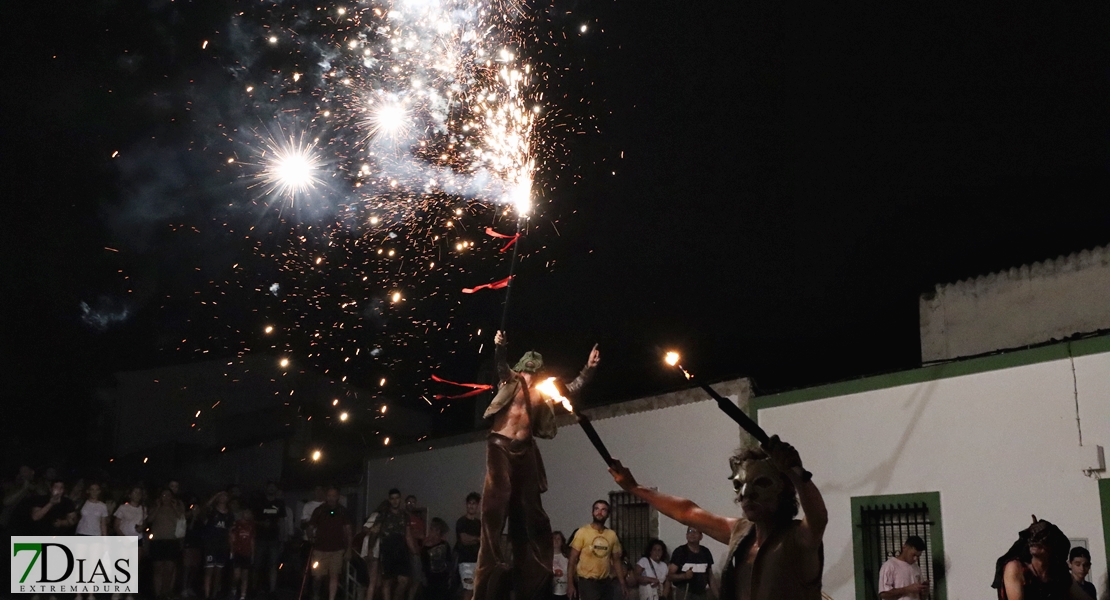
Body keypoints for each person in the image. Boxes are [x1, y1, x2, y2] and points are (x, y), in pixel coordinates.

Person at [608, 436, 828, 600]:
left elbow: (818, 518)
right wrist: (635, 488)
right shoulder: (740, 532)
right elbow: (686, 512)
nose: (746, 494)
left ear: (784, 489)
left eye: (761, 483)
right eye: (739, 485)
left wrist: (796, 473)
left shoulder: (799, 539)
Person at [474, 330, 600, 600]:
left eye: (535, 370)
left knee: (531, 510)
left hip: (525, 449)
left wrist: (588, 369)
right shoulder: (512, 380)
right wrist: (500, 346)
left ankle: (533, 569)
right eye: (527, 368)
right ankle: (492, 561)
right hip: (500, 445)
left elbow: (572, 388)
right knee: (499, 496)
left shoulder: (543, 391)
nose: (530, 373)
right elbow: (500, 365)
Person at [991, 516, 1094, 600]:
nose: (1034, 541)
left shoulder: (1059, 574)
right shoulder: (1016, 568)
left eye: (1041, 537)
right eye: (1032, 536)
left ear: (1053, 545)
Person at [567, 499, 629, 600]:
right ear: (592, 512)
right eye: (597, 509)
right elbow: (572, 559)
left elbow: (616, 560)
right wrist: (570, 583)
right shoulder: (582, 532)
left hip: (605, 582)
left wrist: (622, 583)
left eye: (603, 510)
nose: (599, 512)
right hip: (588, 582)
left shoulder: (611, 535)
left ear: (608, 514)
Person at [309, 486, 353, 600]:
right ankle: (316, 595)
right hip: (320, 550)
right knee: (317, 576)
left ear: (338, 497)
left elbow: (348, 531)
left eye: (334, 496)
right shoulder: (319, 510)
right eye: (329, 495)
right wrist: (311, 538)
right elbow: (310, 527)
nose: (331, 498)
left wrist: (348, 549)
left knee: (334, 576)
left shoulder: (343, 511)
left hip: (337, 550)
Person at [149, 487, 186, 599]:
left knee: (169, 569)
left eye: (168, 495)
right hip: (157, 541)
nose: (166, 498)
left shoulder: (176, 508)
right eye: (163, 495)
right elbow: (149, 520)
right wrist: (157, 507)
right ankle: (158, 594)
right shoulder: (155, 508)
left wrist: (175, 508)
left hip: (172, 541)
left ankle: (166, 592)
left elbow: (182, 519)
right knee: (158, 568)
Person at [253, 481, 288, 595]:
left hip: (274, 539)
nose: (272, 489)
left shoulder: (279, 503)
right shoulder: (259, 502)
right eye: (270, 487)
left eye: (274, 488)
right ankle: (254, 588)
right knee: (257, 564)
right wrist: (261, 523)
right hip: (260, 538)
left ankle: (272, 590)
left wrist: (282, 538)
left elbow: (282, 521)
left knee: (273, 565)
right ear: (266, 488)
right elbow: (251, 519)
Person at [202, 491, 235, 600]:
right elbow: (205, 507)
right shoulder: (212, 511)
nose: (222, 497)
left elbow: (230, 531)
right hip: (211, 544)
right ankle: (207, 595)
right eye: (220, 495)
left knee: (218, 572)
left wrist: (231, 547)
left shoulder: (230, 514)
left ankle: (214, 595)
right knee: (209, 571)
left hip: (222, 545)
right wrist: (215, 495)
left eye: (225, 495)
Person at [380, 489, 413, 600]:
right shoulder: (384, 514)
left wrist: (414, 551)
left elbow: (408, 535)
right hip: (387, 549)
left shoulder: (405, 515)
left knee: (404, 580)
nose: (395, 501)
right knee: (387, 582)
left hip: (401, 550)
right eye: (392, 498)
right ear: (389, 500)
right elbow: (375, 531)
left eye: (397, 498)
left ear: (400, 499)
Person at [668, 528, 713, 600]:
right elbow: (669, 576)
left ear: (701, 536)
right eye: (690, 531)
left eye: (695, 532)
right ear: (686, 535)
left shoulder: (705, 552)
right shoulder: (680, 551)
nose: (692, 534)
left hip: (701, 594)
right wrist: (684, 576)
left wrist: (717, 595)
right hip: (685, 593)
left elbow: (710, 576)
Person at [878, 536, 928, 600]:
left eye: (918, 556)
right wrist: (907, 589)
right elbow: (884, 594)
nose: (915, 558)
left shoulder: (916, 567)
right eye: (913, 555)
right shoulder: (890, 566)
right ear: (904, 548)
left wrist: (924, 591)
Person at [456, 492, 482, 600]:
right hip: (466, 562)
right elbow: (464, 539)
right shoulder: (461, 521)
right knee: (468, 589)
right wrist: (476, 539)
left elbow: (484, 540)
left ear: (478, 505)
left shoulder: (479, 523)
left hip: (478, 561)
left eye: (474, 503)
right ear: (466, 505)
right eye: (469, 503)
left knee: (477, 590)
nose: (471, 506)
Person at [421, 517, 454, 600]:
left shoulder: (445, 545)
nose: (431, 531)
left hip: (443, 580)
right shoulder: (426, 546)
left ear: (438, 531)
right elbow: (424, 563)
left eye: (432, 529)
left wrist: (450, 576)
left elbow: (449, 562)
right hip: (431, 580)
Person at [230, 508, 257, 600]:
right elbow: (232, 537)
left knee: (245, 575)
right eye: (246, 512)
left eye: (249, 512)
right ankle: (233, 588)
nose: (247, 514)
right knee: (236, 575)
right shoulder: (237, 524)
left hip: (247, 552)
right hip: (238, 551)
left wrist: (252, 553)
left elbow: (252, 539)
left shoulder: (251, 525)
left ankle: (243, 595)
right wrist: (232, 550)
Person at [406, 495, 427, 600]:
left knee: (416, 579)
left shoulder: (418, 521)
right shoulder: (402, 517)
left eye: (413, 502)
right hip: (404, 552)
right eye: (409, 502)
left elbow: (422, 535)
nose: (411, 505)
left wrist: (413, 533)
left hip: (416, 552)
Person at [553, 531, 571, 600]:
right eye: (554, 538)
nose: (556, 540)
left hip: (564, 592)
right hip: (551, 592)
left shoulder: (566, 557)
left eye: (558, 539)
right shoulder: (547, 558)